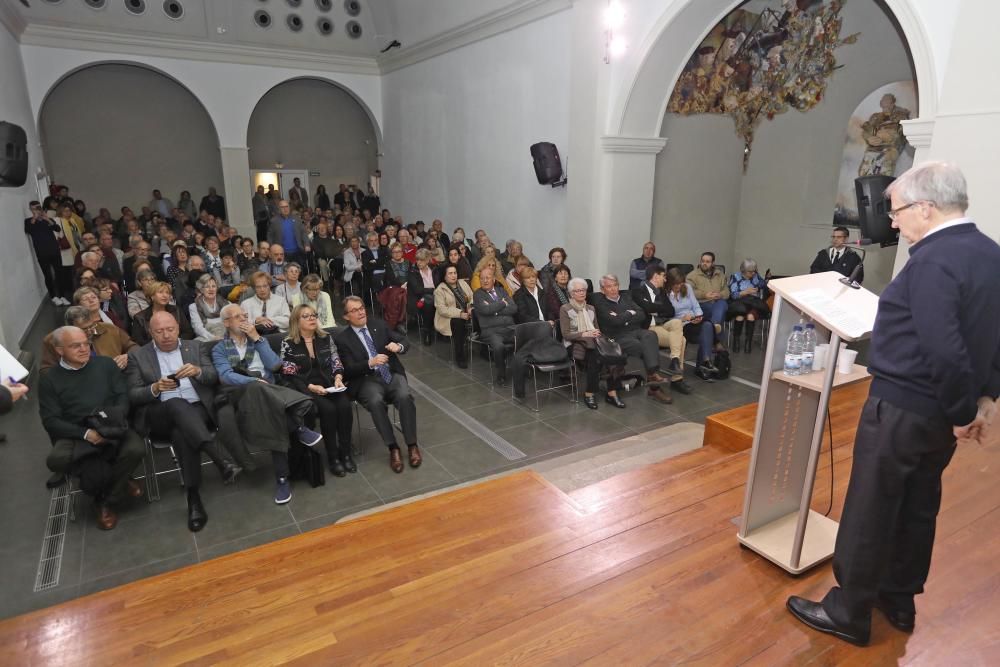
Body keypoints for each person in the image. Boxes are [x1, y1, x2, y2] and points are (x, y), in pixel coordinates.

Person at [786, 162, 1000, 645]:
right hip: (940, 414)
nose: (895, 221)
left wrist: (964, 411)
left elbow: (943, 347)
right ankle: (897, 600)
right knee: (918, 505)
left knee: (871, 507)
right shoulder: (990, 254)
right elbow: (991, 336)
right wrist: (981, 399)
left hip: (904, 407)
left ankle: (849, 612)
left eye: (898, 211)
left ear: (926, 207)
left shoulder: (932, 260)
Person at [126, 312, 243, 531]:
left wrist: (198, 371)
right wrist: (155, 388)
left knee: (182, 433)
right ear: (150, 333)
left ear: (178, 328)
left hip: (197, 411)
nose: (166, 335)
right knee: (176, 405)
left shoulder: (195, 347)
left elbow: (213, 377)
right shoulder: (138, 356)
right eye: (159, 331)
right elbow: (132, 394)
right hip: (159, 412)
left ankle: (193, 498)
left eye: (170, 329)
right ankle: (218, 456)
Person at [213, 304, 323, 504]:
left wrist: (257, 338)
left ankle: (282, 479)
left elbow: (274, 366)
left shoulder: (257, 341)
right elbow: (226, 377)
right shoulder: (219, 348)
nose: (244, 319)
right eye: (238, 317)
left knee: (274, 417)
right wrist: (253, 381)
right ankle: (298, 429)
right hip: (242, 395)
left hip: (269, 393)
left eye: (245, 315)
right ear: (226, 322)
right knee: (258, 389)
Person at [38, 326, 146, 531]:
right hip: (77, 432)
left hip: (112, 424)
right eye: (75, 346)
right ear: (59, 350)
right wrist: (86, 434)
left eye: (86, 343)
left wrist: (114, 421)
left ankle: (106, 501)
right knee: (80, 470)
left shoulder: (105, 364)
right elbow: (50, 420)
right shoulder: (50, 380)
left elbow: (122, 395)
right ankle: (122, 479)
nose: (84, 349)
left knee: (136, 449)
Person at [335, 296, 422, 474]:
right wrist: (370, 363)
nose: (360, 312)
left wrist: (399, 347)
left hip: (391, 373)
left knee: (405, 396)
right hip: (366, 379)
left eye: (361, 308)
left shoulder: (379, 325)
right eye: (354, 310)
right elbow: (348, 370)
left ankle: (412, 444)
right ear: (346, 317)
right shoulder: (343, 339)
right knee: (375, 401)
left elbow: (403, 341)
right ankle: (393, 448)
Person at [279, 304, 355, 477]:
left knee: (344, 407)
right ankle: (334, 458)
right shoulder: (288, 343)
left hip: (330, 384)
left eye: (313, 315)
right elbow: (289, 373)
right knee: (328, 410)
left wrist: (338, 377)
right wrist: (310, 387)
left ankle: (346, 453)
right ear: (296, 322)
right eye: (306, 316)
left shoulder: (325, 337)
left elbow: (336, 361)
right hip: (307, 388)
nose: (312, 318)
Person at [593, 274, 672, 405]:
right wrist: (630, 313)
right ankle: (654, 386)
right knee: (642, 347)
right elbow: (614, 321)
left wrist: (623, 317)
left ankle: (652, 374)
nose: (613, 289)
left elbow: (641, 314)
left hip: (635, 331)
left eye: (615, 285)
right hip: (617, 337)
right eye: (609, 286)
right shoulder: (600, 304)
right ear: (602, 290)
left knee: (650, 335)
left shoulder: (627, 298)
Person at [561, 277, 624, 410]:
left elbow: (597, 329)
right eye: (577, 290)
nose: (581, 293)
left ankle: (612, 392)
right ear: (571, 293)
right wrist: (584, 334)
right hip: (573, 343)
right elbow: (566, 334)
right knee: (595, 357)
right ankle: (590, 393)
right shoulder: (565, 309)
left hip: (592, 342)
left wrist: (595, 334)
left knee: (614, 355)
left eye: (583, 290)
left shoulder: (591, 308)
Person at [39, 305, 137, 372]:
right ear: (70, 327)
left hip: (114, 379)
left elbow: (134, 347)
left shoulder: (109, 329)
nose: (90, 331)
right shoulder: (52, 340)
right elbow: (46, 370)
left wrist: (127, 356)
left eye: (92, 325)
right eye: (84, 329)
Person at [632, 265, 685, 382]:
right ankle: (678, 378)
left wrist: (654, 310)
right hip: (649, 328)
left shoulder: (660, 292)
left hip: (662, 324)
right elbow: (647, 307)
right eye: (663, 276)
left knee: (676, 321)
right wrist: (659, 308)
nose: (665, 280)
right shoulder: (637, 291)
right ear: (655, 277)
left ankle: (675, 361)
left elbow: (671, 311)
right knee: (682, 340)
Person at [664, 268, 712, 390]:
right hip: (680, 324)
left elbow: (696, 305)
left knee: (706, 326)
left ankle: (706, 361)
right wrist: (683, 319)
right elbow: (667, 316)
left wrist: (698, 316)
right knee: (708, 331)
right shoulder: (665, 294)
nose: (679, 286)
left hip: (692, 320)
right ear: (669, 283)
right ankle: (703, 365)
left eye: (681, 283)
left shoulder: (687, 287)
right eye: (676, 284)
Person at [472, 267, 518, 386]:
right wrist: (503, 303)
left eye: (487, 278)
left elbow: (514, 308)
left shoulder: (501, 290)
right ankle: (501, 375)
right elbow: (486, 310)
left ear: (493, 279)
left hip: (509, 328)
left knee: (526, 338)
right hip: (491, 331)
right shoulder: (478, 295)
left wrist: (495, 310)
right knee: (498, 347)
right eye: (482, 279)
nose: (485, 281)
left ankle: (522, 369)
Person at [25, 200, 70, 306]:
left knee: (60, 274)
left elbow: (57, 228)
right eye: (34, 208)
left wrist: (47, 219)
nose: (37, 209)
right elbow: (29, 230)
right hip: (42, 253)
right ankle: (53, 296)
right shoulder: (28, 221)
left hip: (54, 250)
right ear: (31, 209)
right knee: (48, 275)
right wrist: (35, 217)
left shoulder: (47, 219)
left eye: (38, 207)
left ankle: (62, 295)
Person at [688, 252, 729, 352]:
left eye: (707, 262)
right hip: (701, 305)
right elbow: (689, 292)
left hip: (717, 302)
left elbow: (727, 291)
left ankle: (714, 330)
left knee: (722, 304)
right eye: (703, 261)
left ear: (713, 263)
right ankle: (717, 340)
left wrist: (720, 294)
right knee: (720, 311)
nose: (704, 263)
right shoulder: (692, 275)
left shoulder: (720, 275)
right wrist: (704, 295)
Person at [433, 265, 474, 368]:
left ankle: (485, 348)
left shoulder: (463, 283)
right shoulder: (440, 289)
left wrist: (471, 307)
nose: (453, 275)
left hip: (468, 313)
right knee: (458, 322)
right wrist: (460, 314)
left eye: (455, 273)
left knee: (480, 314)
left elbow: (472, 297)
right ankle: (460, 357)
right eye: (450, 273)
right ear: (445, 276)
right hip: (448, 318)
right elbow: (442, 310)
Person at [727, 259, 770, 353]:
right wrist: (746, 292)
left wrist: (758, 287)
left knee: (750, 316)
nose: (753, 273)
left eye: (754, 271)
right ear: (743, 271)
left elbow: (763, 283)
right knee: (740, 316)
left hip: (753, 303)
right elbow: (733, 295)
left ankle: (748, 343)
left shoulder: (755, 276)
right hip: (740, 303)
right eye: (750, 271)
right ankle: (736, 342)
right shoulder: (735, 277)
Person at [131, 281, 194, 345]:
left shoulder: (176, 310)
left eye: (167, 293)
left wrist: (174, 342)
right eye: (160, 292)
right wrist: (160, 345)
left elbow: (188, 332)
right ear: (152, 296)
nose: (165, 295)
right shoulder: (140, 317)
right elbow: (138, 341)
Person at [242, 271, 291, 335]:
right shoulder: (245, 304)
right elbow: (242, 324)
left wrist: (268, 319)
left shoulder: (281, 300)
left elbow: (288, 321)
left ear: (269, 286)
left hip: (277, 335)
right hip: (254, 336)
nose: (262, 290)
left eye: (265, 286)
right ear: (254, 288)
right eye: (258, 287)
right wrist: (256, 321)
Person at [407, 249, 437, 345]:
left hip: (435, 296)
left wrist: (436, 291)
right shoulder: (413, 271)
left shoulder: (434, 269)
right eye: (417, 260)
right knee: (429, 302)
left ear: (428, 260)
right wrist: (433, 290)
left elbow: (439, 284)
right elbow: (418, 290)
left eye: (422, 260)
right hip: (418, 298)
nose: (419, 262)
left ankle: (443, 328)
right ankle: (427, 331)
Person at [268, 200, 310, 267]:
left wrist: (307, 244)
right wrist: (272, 249)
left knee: (298, 273)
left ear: (289, 207)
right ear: (279, 209)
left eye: (286, 206)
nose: (285, 209)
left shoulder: (297, 219)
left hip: (297, 252)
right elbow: (270, 237)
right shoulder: (274, 221)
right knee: (284, 273)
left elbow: (303, 232)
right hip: (282, 253)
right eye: (282, 207)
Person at [189, 274, 226, 342]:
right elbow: (198, 328)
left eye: (214, 286)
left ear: (217, 288)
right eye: (207, 287)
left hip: (226, 337)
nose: (211, 289)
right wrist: (213, 338)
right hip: (207, 338)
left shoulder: (226, 304)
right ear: (201, 289)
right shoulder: (193, 307)